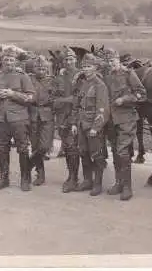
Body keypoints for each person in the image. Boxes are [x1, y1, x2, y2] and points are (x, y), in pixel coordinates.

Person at [103, 48, 147, 201]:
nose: (110, 64)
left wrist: (125, 99)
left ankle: (127, 187)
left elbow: (141, 94)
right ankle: (119, 183)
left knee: (122, 152)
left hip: (127, 119)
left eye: (112, 61)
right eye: (108, 61)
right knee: (115, 151)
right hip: (112, 120)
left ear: (118, 60)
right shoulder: (108, 77)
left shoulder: (129, 74)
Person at [0, 50, 36, 191]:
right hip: (1, 119)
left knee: (22, 148)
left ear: (16, 61)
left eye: (11, 60)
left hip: (18, 119)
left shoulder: (22, 76)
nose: (9, 63)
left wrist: (13, 94)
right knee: (3, 148)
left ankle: (25, 179)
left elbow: (31, 97)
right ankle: (4, 178)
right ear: (3, 61)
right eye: (6, 60)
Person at [71, 55, 110, 196]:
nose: (86, 69)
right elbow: (77, 105)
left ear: (95, 67)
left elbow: (103, 109)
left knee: (97, 155)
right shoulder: (83, 84)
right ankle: (87, 180)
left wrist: (96, 127)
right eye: (84, 67)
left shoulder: (100, 85)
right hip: (82, 124)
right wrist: (75, 123)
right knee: (83, 153)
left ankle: (98, 184)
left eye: (89, 66)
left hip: (92, 126)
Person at [52, 48, 81, 193]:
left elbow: (81, 98)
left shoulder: (81, 76)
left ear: (76, 60)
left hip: (75, 118)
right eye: (66, 60)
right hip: (62, 117)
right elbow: (54, 98)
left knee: (72, 148)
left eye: (71, 59)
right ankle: (71, 176)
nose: (68, 62)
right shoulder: (59, 78)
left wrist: (67, 101)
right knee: (68, 147)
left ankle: (74, 178)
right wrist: (65, 100)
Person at [28, 55, 55, 186]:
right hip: (32, 115)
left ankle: (28, 164)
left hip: (47, 115)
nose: (40, 71)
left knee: (44, 146)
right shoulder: (28, 79)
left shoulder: (52, 81)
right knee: (34, 146)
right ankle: (40, 174)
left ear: (47, 70)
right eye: (38, 68)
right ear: (33, 68)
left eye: (43, 69)